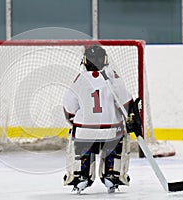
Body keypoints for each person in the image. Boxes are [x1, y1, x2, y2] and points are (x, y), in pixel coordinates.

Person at [63, 44, 137, 194]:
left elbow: (69, 108)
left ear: (85, 61)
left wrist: (77, 122)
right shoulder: (113, 77)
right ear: (104, 60)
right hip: (111, 131)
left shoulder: (80, 79)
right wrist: (132, 118)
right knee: (117, 141)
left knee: (80, 141)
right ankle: (112, 175)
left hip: (85, 131)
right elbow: (127, 104)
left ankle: (81, 176)